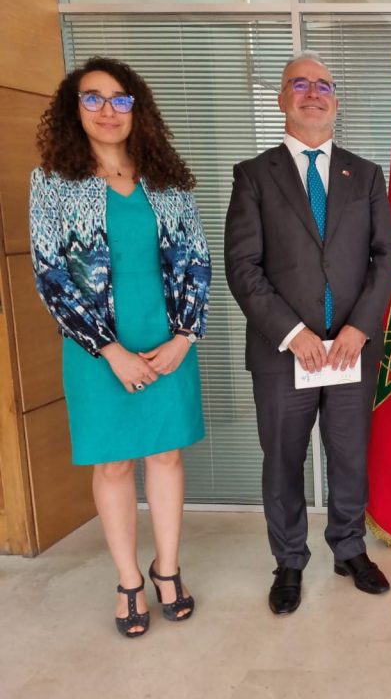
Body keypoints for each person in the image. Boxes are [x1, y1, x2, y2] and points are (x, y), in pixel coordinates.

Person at [29, 56, 210, 638]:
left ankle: (167, 570)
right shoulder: (52, 183)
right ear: (74, 109)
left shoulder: (167, 180)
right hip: (96, 352)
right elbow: (51, 275)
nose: (108, 110)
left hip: (168, 342)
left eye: (120, 99)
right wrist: (109, 349)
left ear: (138, 110)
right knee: (113, 462)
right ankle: (129, 580)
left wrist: (185, 337)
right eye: (93, 98)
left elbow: (197, 261)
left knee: (167, 456)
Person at [224, 51, 391, 615]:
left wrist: (359, 327)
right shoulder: (254, 175)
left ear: (336, 101)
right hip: (283, 353)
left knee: (349, 456)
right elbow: (242, 266)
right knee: (283, 460)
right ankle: (289, 562)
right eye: (299, 84)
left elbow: (385, 257)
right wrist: (292, 331)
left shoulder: (365, 175)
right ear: (282, 99)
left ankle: (349, 548)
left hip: (350, 349)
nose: (313, 93)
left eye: (323, 84)